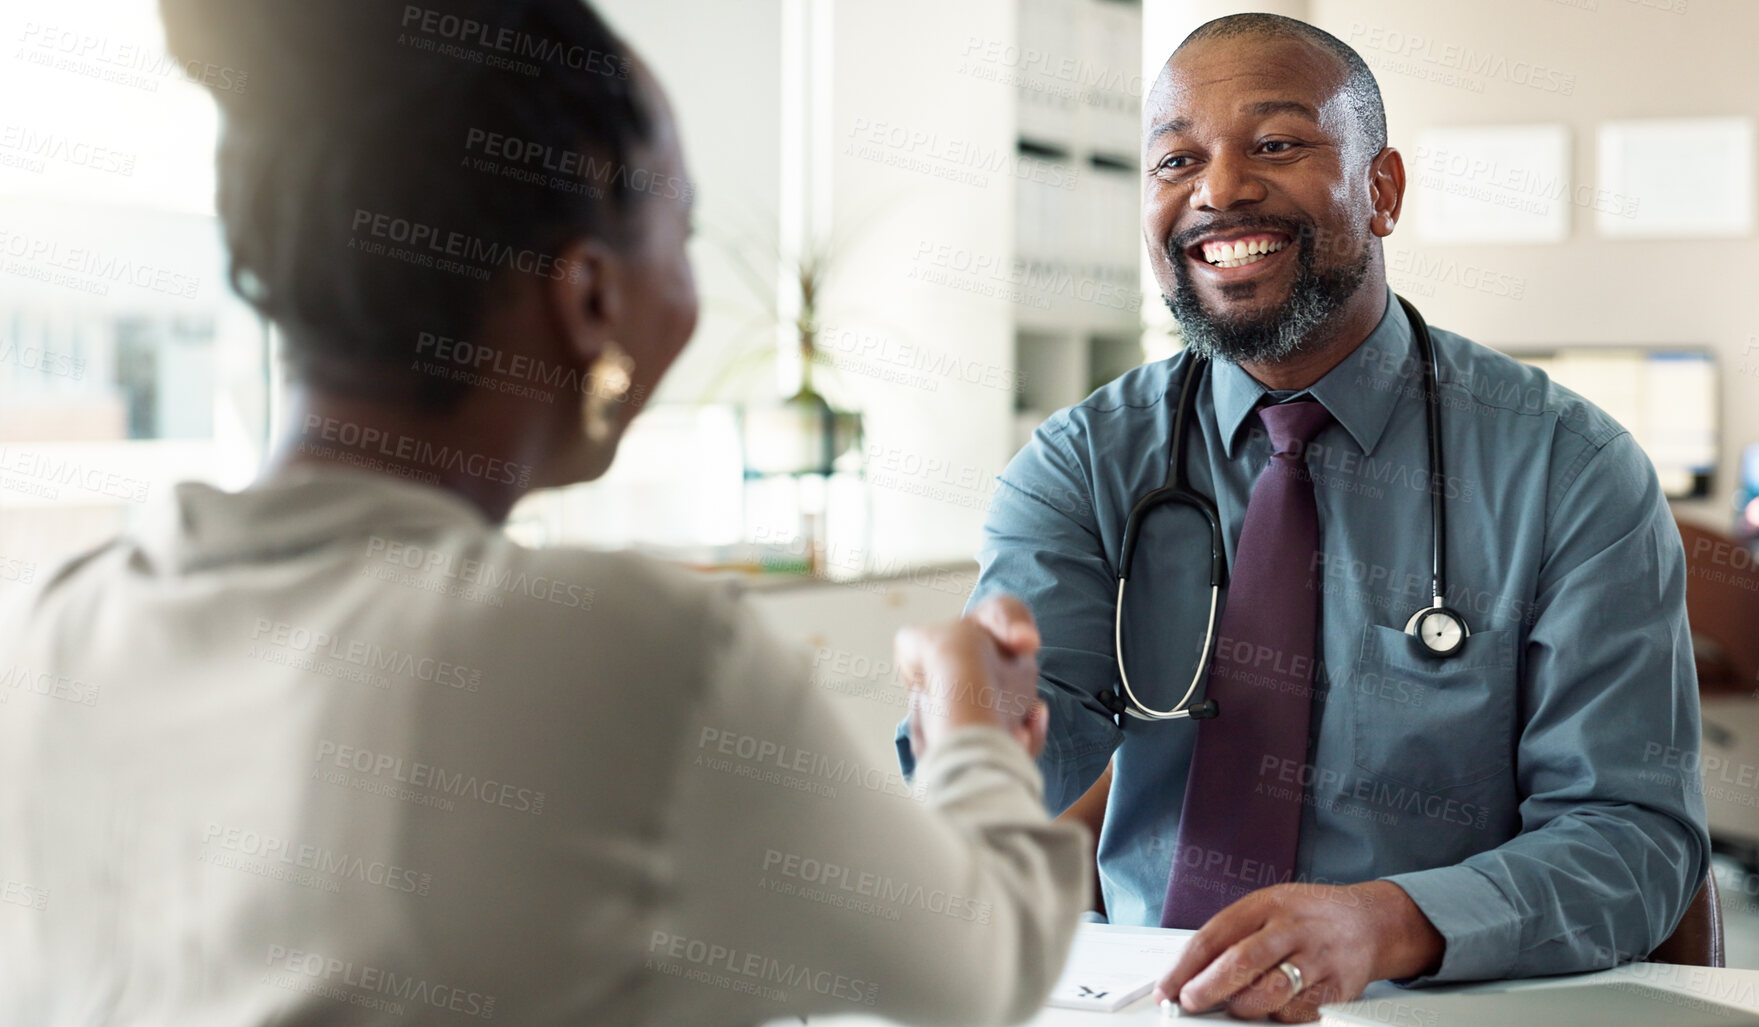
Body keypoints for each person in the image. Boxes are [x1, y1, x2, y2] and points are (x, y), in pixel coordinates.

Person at [0, 1, 1088, 1024]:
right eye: (685, 231)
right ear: (590, 295)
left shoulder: (55, 624)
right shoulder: (619, 646)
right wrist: (972, 718)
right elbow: (981, 960)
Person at [899, 13, 1709, 1022]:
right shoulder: (1084, 464)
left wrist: (1385, 924)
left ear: (1383, 189)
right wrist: (972, 721)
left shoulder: (1568, 468)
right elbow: (1014, 752)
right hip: (1151, 996)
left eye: (1276, 143)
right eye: (1176, 158)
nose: (1219, 187)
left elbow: (1634, 840)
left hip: (1445, 999)